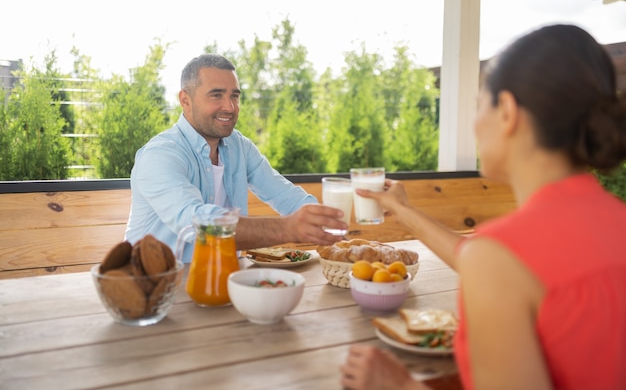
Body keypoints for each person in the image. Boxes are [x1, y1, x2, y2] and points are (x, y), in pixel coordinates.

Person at [340, 24, 626, 390]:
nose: (475, 124)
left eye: (479, 104)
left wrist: (401, 387)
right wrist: (404, 210)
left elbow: (497, 264)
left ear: (506, 111)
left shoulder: (502, 256)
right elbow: (493, 262)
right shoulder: (611, 223)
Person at [125, 53, 347, 262]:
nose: (230, 107)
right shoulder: (160, 155)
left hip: (226, 277)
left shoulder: (238, 146)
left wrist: (333, 230)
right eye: (217, 95)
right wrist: (286, 229)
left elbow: (288, 197)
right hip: (157, 290)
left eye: (235, 96)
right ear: (186, 100)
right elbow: (199, 224)